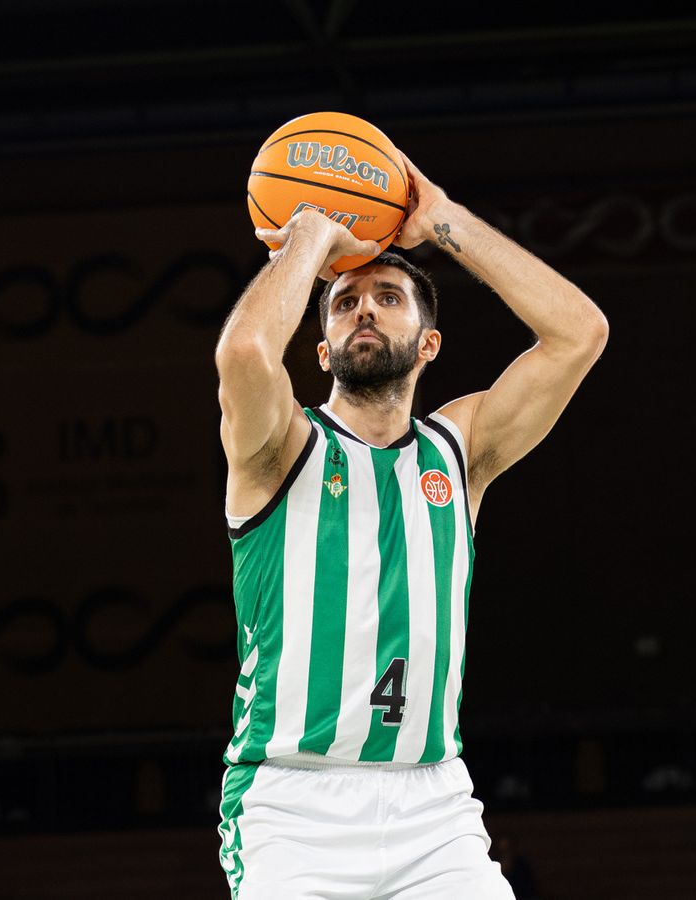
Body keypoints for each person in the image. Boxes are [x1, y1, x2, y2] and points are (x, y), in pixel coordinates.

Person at [213, 151, 608, 900]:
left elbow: (579, 334)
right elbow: (244, 350)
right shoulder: (278, 449)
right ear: (322, 349)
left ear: (429, 344)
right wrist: (308, 238)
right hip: (294, 804)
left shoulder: (462, 451)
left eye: (389, 297)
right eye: (344, 302)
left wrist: (444, 221)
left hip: (433, 803)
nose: (364, 307)